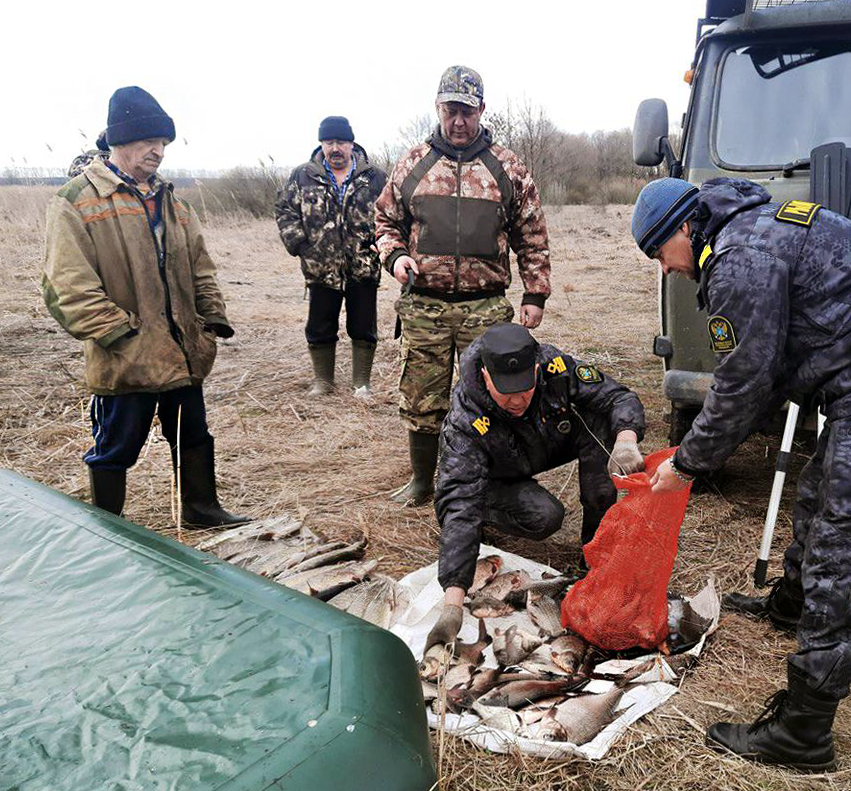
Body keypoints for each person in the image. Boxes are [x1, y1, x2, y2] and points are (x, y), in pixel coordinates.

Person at [631, 177, 851, 771]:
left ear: (682, 229)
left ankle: (804, 730)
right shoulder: (748, 227)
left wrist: (688, 463)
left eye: (658, 255)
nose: (667, 271)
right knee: (818, 494)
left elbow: (744, 383)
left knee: (843, 553)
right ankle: (790, 606)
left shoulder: (737, 261)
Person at [42, 86, 249, 527]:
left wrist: (210, 322)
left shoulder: (174, 202)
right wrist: (123, 335)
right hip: (125, 357)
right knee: (115, 447)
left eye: (163, 143)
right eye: (149, 142)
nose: (158, 152)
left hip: (182, 350)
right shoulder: (76, 201)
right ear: (119, 141)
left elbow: (200, 268)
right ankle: (106, 527)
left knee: (193, 434)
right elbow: (68, 286)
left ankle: (201, 509)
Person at [375, 65, 552, 507]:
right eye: (450, 110)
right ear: (438, 108)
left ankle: (491, 482)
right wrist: (395, 258)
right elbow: (385, 222)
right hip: (424, 308)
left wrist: (534, 294)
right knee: (422, 397)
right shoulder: (414, 164)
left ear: (482, 111)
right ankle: (423, 481)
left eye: (466, 112)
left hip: (486, 309)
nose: (458, 121)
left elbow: (531, 234)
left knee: (493, 398)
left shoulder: (507, 168)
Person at [424, 324, 646, 650]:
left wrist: (626, 438)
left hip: (543, 446)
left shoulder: (557, 369)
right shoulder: (465, 420)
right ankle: (488, 514)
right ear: (486, 376)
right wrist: (453, 605)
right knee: (544, 516)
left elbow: (617, 397)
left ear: (537, 369)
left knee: (599, 418)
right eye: (506, 391)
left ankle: (598, 551)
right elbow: (459, 499)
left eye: (524, 388)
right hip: (493, 477)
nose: (517, 400)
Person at [275, 116, 387, 397]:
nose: (335, 148)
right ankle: (323, 383)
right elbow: (285, 210)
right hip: (320, 268)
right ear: (321, 144)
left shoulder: (373, 177)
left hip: (363, 266)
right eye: (329, 142)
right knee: (320, 326)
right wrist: (301, 244)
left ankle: (361, 383)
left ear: (351, 144)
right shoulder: (303, 175)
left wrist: (383, 245)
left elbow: (391, 214)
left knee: (363, 326)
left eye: (340, 142)